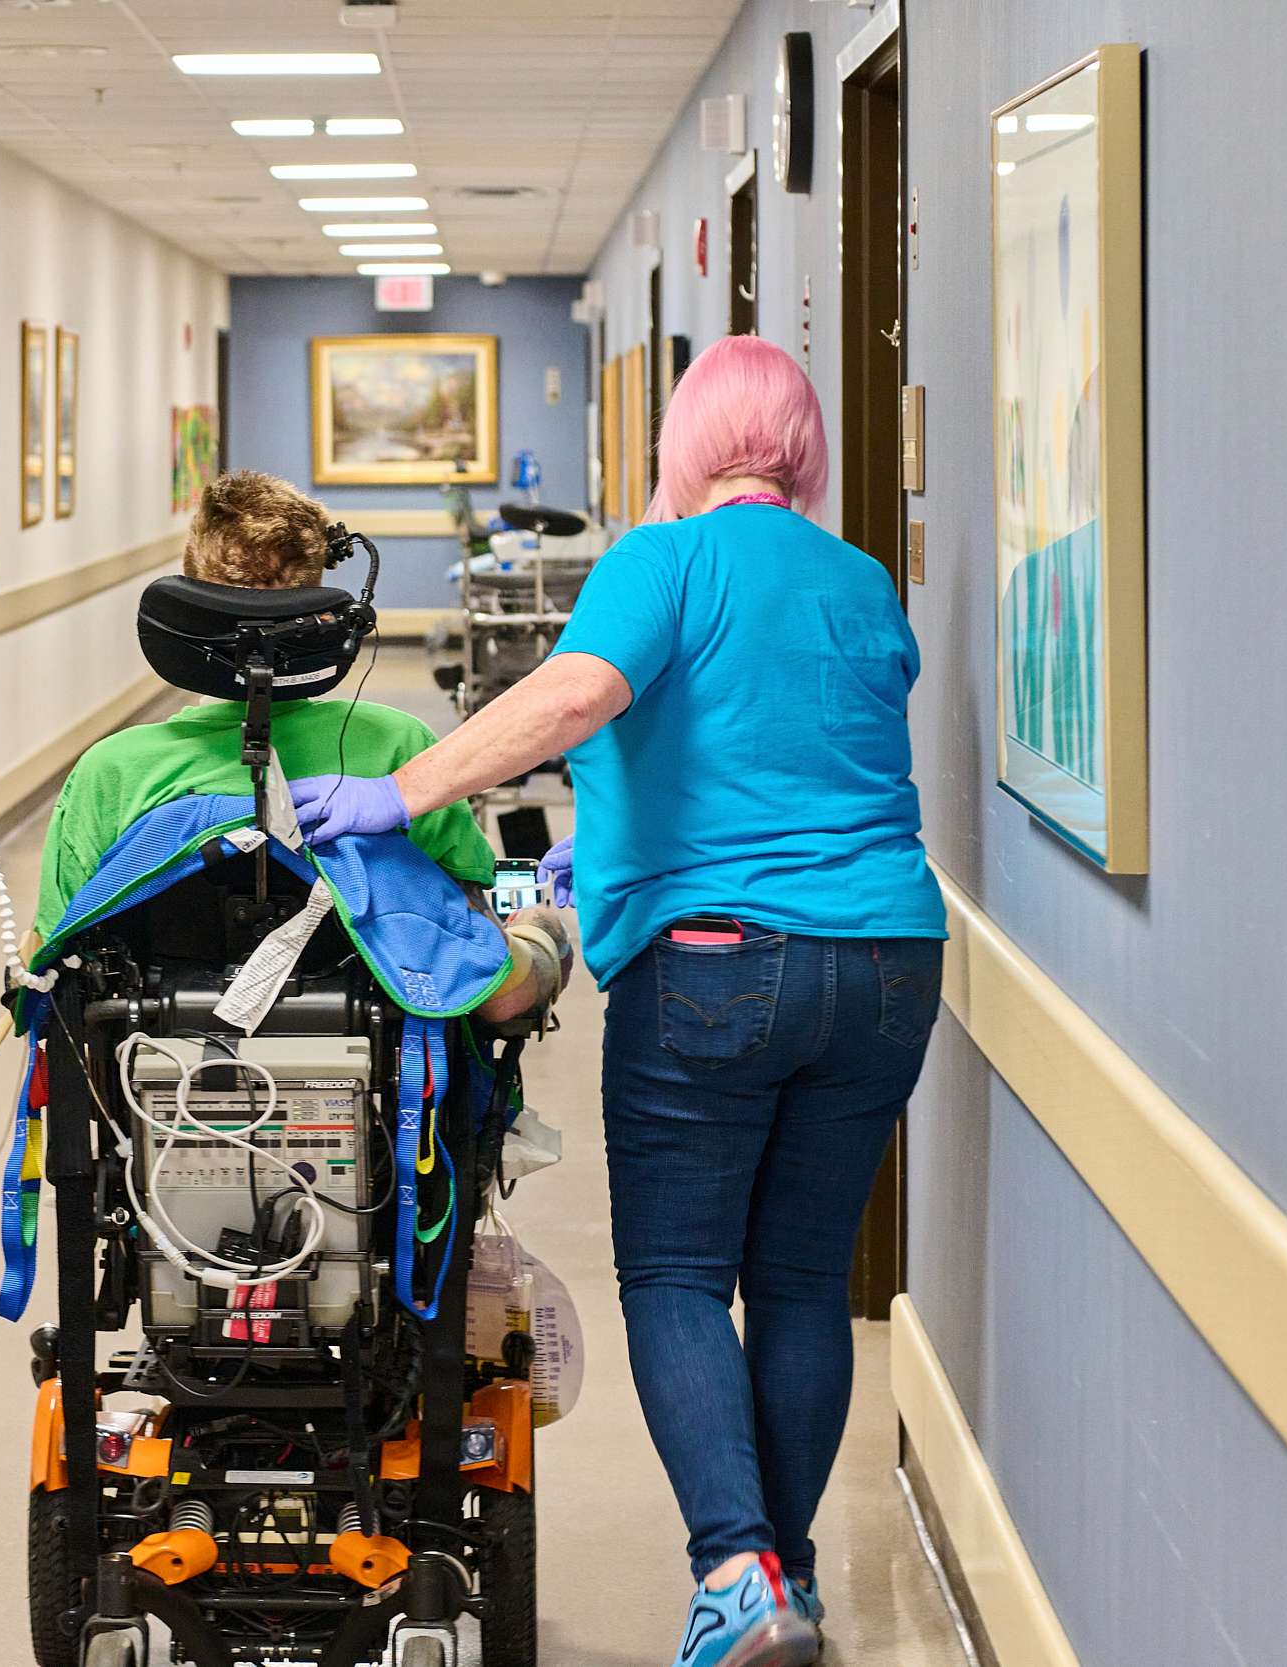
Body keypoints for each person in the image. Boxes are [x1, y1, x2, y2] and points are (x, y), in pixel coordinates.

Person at [293, 334, 946, 1667]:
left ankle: (733, 1570)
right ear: (802, 452)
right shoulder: (861, 578)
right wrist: (607, 838)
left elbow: (581, 694)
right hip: (887, 960)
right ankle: (787, 1580)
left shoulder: (661, 560)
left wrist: (401, 792)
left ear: (688, 444)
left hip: (714, 964)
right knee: (804, 1279)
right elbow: (786, 748)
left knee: (678, 1272)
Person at [35, 468, 566, 1022]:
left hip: (154, 1045)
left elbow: (53, 951)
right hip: (376, 1037)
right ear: (320, 604)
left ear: (191, 595)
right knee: (537, 928)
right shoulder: (397, 746)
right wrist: (537, 932)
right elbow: (467, 929)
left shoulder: (112, 769)